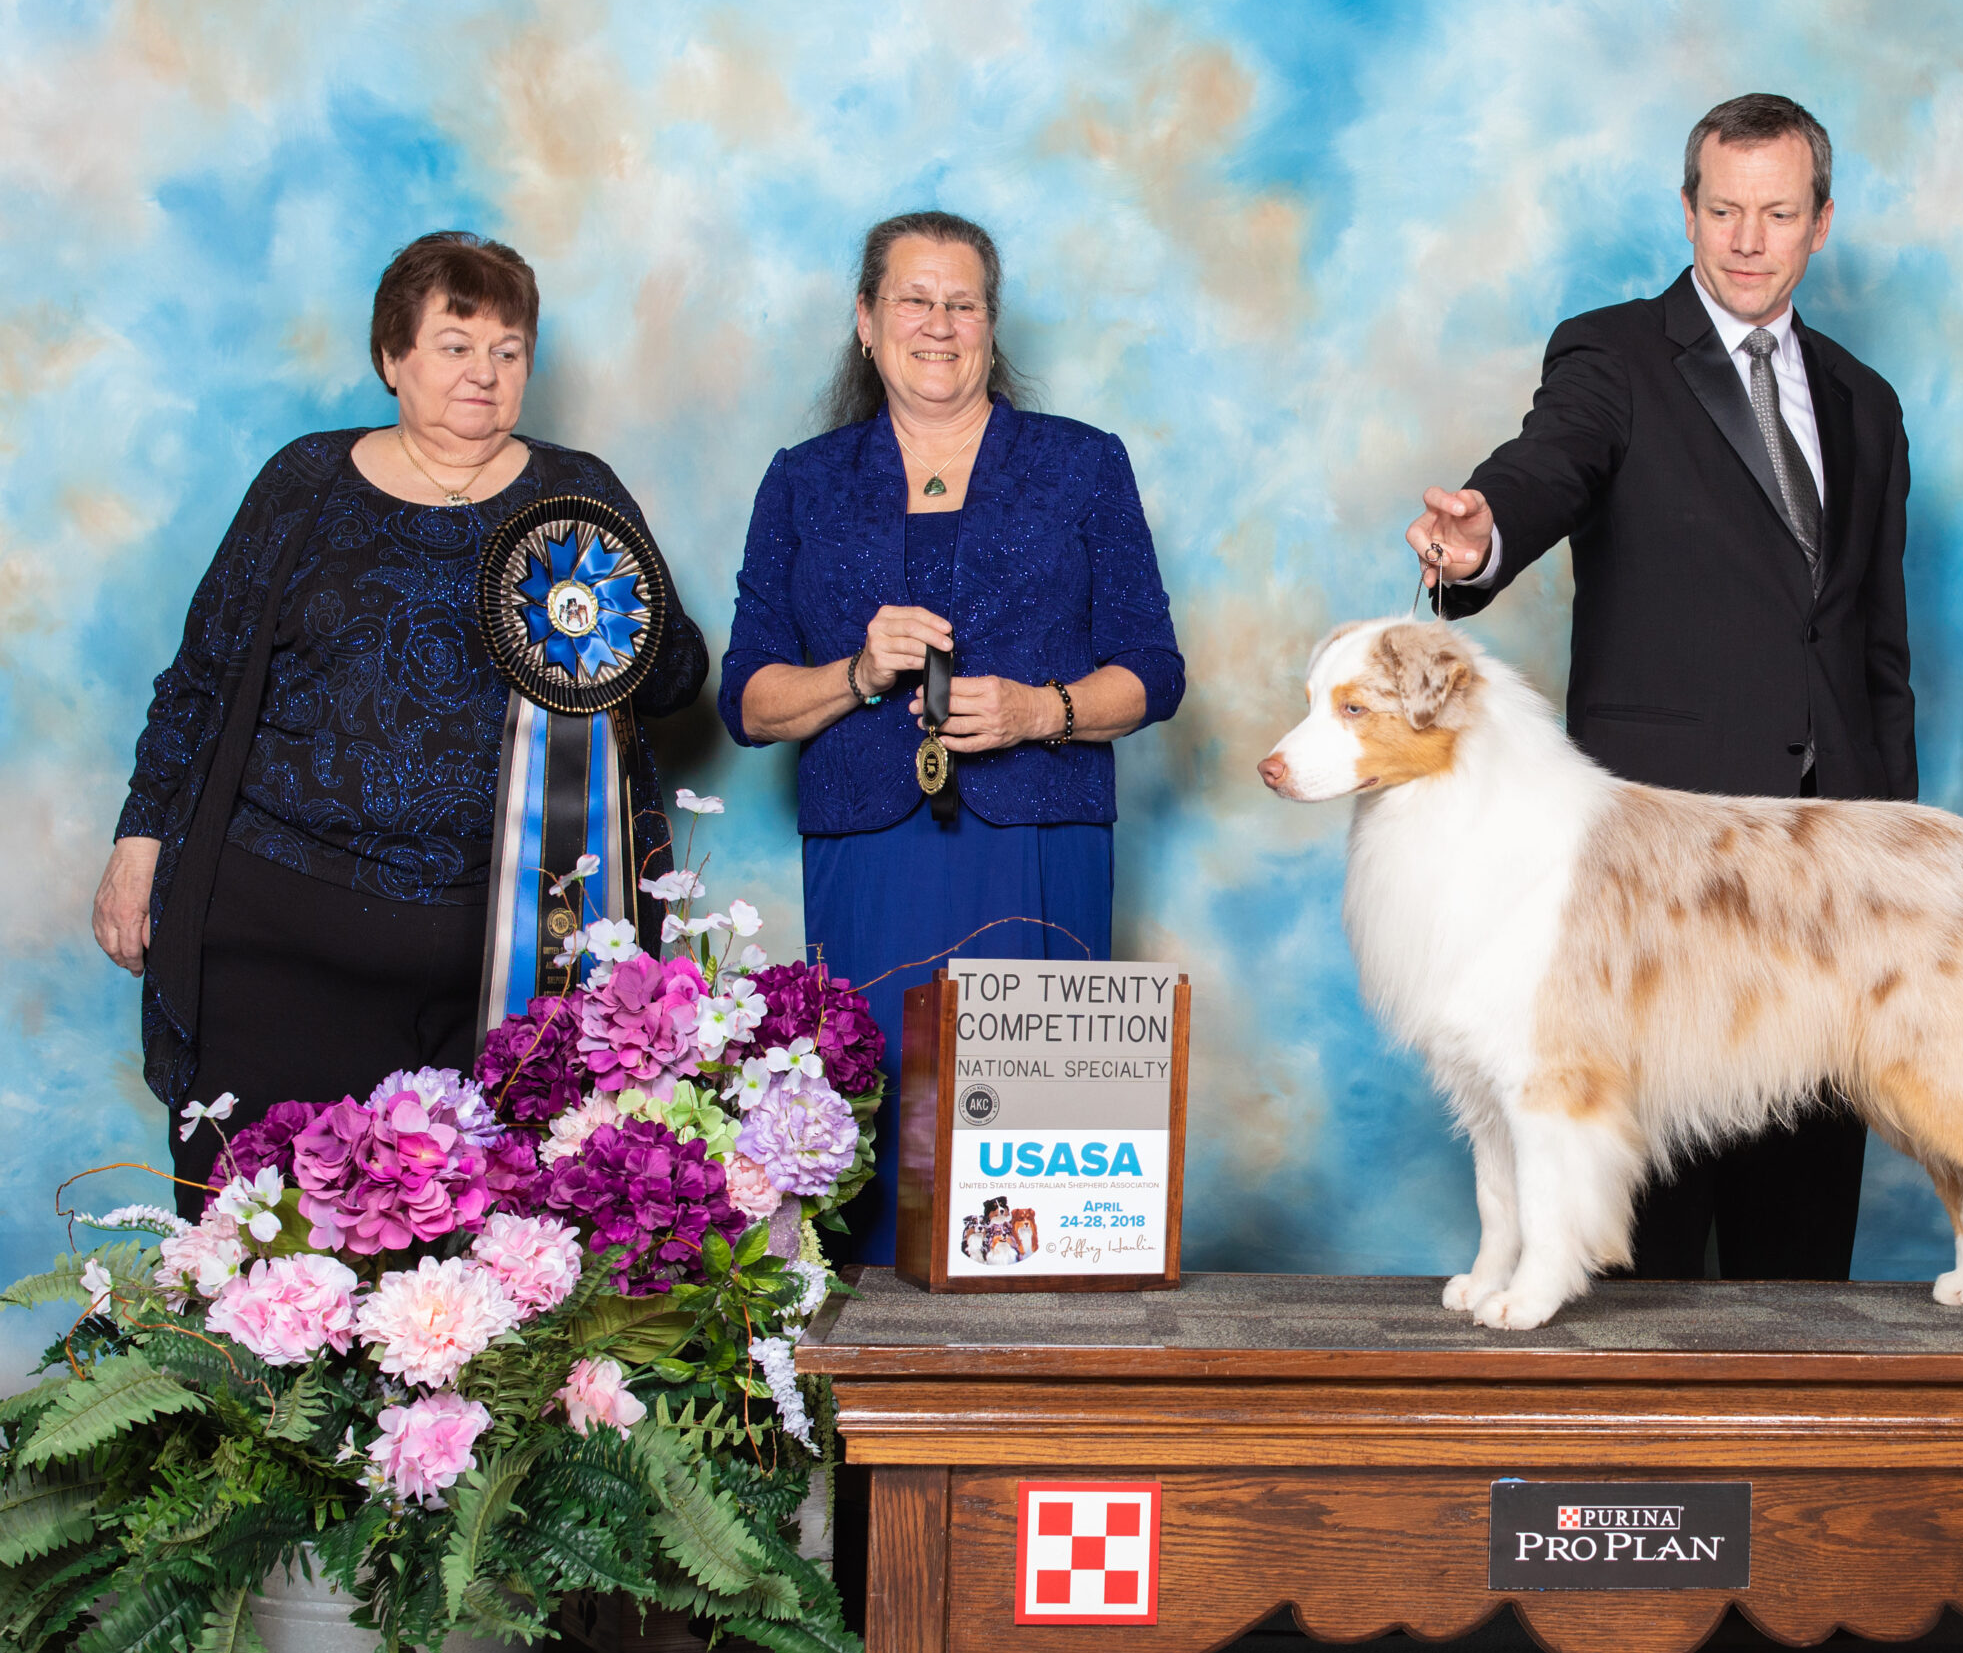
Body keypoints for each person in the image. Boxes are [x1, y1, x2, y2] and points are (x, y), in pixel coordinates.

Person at [1404, 92, 1911, 1283]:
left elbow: (1876, 646)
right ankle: (1634, 1469)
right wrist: (1481, 537)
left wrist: (1886, 841)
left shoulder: (1866, 401)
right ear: (1687, 210)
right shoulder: (1611, 354)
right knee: (1651, 1244)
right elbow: (1548, 464)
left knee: (1801, 1248)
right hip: (1656, 874)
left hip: (1822, 871)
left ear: (1820, 223)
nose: (1746, 239)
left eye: (1776, 213)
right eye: (1723, 210)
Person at [94, 231, 709, 1203]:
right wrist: (139, 842)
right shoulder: (302, 483)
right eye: (456, 343)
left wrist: (627, 620)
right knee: (266, 1244)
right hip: (280, 932)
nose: (485, 371)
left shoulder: (576, 489)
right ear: (393, 356)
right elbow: (201, 677)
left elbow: (676, 675)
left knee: (490, 1266)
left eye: (509, 350)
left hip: (512, 954)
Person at [721, 210, 1185, 1263]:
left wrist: (1039, 711)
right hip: (868, 849)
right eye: (913, 300)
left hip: (1037, 841)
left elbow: (1153, 670)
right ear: (866, 320)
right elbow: (746, 703)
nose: (938, 324)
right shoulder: (803, 479)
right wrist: (854, 671)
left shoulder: (1082, 463)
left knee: (1032, 1163)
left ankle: (1036, 1399)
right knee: (872, 1136)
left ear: (991, 323)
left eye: (962, 303)